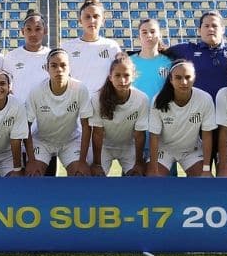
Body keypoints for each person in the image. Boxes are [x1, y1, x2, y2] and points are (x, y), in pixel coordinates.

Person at [165, 10, 227, 167]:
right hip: (198, 122)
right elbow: (158, 52)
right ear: (199, 30)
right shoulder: (185, 50)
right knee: (201, 171)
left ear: (223, 29)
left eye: (215, 25)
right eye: (206, 26)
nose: (211, 29)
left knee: (225, 170)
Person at [25, 49, 93, 176]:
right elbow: (26, 126)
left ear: (69, 68)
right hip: (42, 141)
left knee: (80, 175)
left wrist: (82, 161)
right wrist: (32, 160)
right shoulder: (36, 91)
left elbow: (86, 126)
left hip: (70, 141)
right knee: (33, 175)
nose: (59, 70)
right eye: (54, 66)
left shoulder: (80, 89)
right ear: (47, 68)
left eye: (63, 65)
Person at [146, 60, 216, 178]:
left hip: (192, 150)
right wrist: (154, 169)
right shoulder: (158, 100)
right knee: (153, 180)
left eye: (188, 77)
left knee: (205, 182)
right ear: (171, 79)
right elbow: (154, 136)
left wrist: (206, 168)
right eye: (178, 78)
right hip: (164, 150)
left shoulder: (204, 99)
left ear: (194, 78)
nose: (184, 82)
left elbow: (207, 135)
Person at [90, 54, 149, 176]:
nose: (122, 80)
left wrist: (138, 163)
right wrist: (97, 164)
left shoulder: (142, 99)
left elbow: (139, 135)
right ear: (110, 77)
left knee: (137, 177)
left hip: (129, 147)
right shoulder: (97, 99)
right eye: (117, 75)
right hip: (104, 147)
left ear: (133, 76)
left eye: (126, 75)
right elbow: (97, 133)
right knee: (96, 178)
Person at [128, 18, 174, 176]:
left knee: (162, 180)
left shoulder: (169, 63)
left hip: (163, 129)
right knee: (134, 177)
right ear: (138, 36)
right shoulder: (129, 62)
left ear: (160, 35)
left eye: (153, 31)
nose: (149, 35)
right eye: (144, 32)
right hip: (135, 128)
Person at [61, 0, 121, 94]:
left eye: (96, 16)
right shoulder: (67, 47)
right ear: (80, 20)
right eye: (87, 17)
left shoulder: (112, 46)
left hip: (104, 101)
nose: (92, 20)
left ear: (103, 20)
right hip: (77, 100)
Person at [3, 9, 50, 102]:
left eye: (38, 29)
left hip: (45, 109)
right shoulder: (11, 57)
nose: (33, 34)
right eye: (29, 29)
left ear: (45, 31)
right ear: (22, 31)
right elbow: (6, 87)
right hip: (19, 109)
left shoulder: (51, 56)